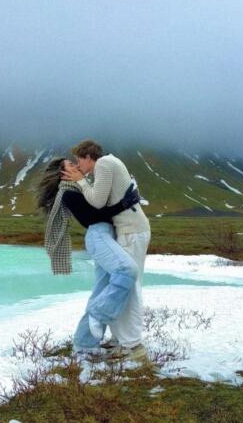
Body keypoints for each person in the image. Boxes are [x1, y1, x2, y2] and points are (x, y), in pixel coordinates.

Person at [38, 158, 143, 358]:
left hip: (107, 236)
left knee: (101, 289)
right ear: (63, 173)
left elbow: (101, 207)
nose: (76, 166)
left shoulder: (80, 188)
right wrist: (123, 204)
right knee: (127, 270)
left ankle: (84, 343)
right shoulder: (68, 192)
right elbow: (93, 216)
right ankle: (99, 312)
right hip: (98, 236)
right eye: (71, 165)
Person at [61, 140, 151, 359]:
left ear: (87, 156)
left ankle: (132, 345)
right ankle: (122, 340)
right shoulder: (108, 163)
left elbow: (98, 203)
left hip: (130, 230)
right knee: (123, 283)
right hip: (128, 230)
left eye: (78, 160)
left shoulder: (102, 165)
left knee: (129, 286)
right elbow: (100, 206)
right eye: (72, 165)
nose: (77, 165)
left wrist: (82, 181)